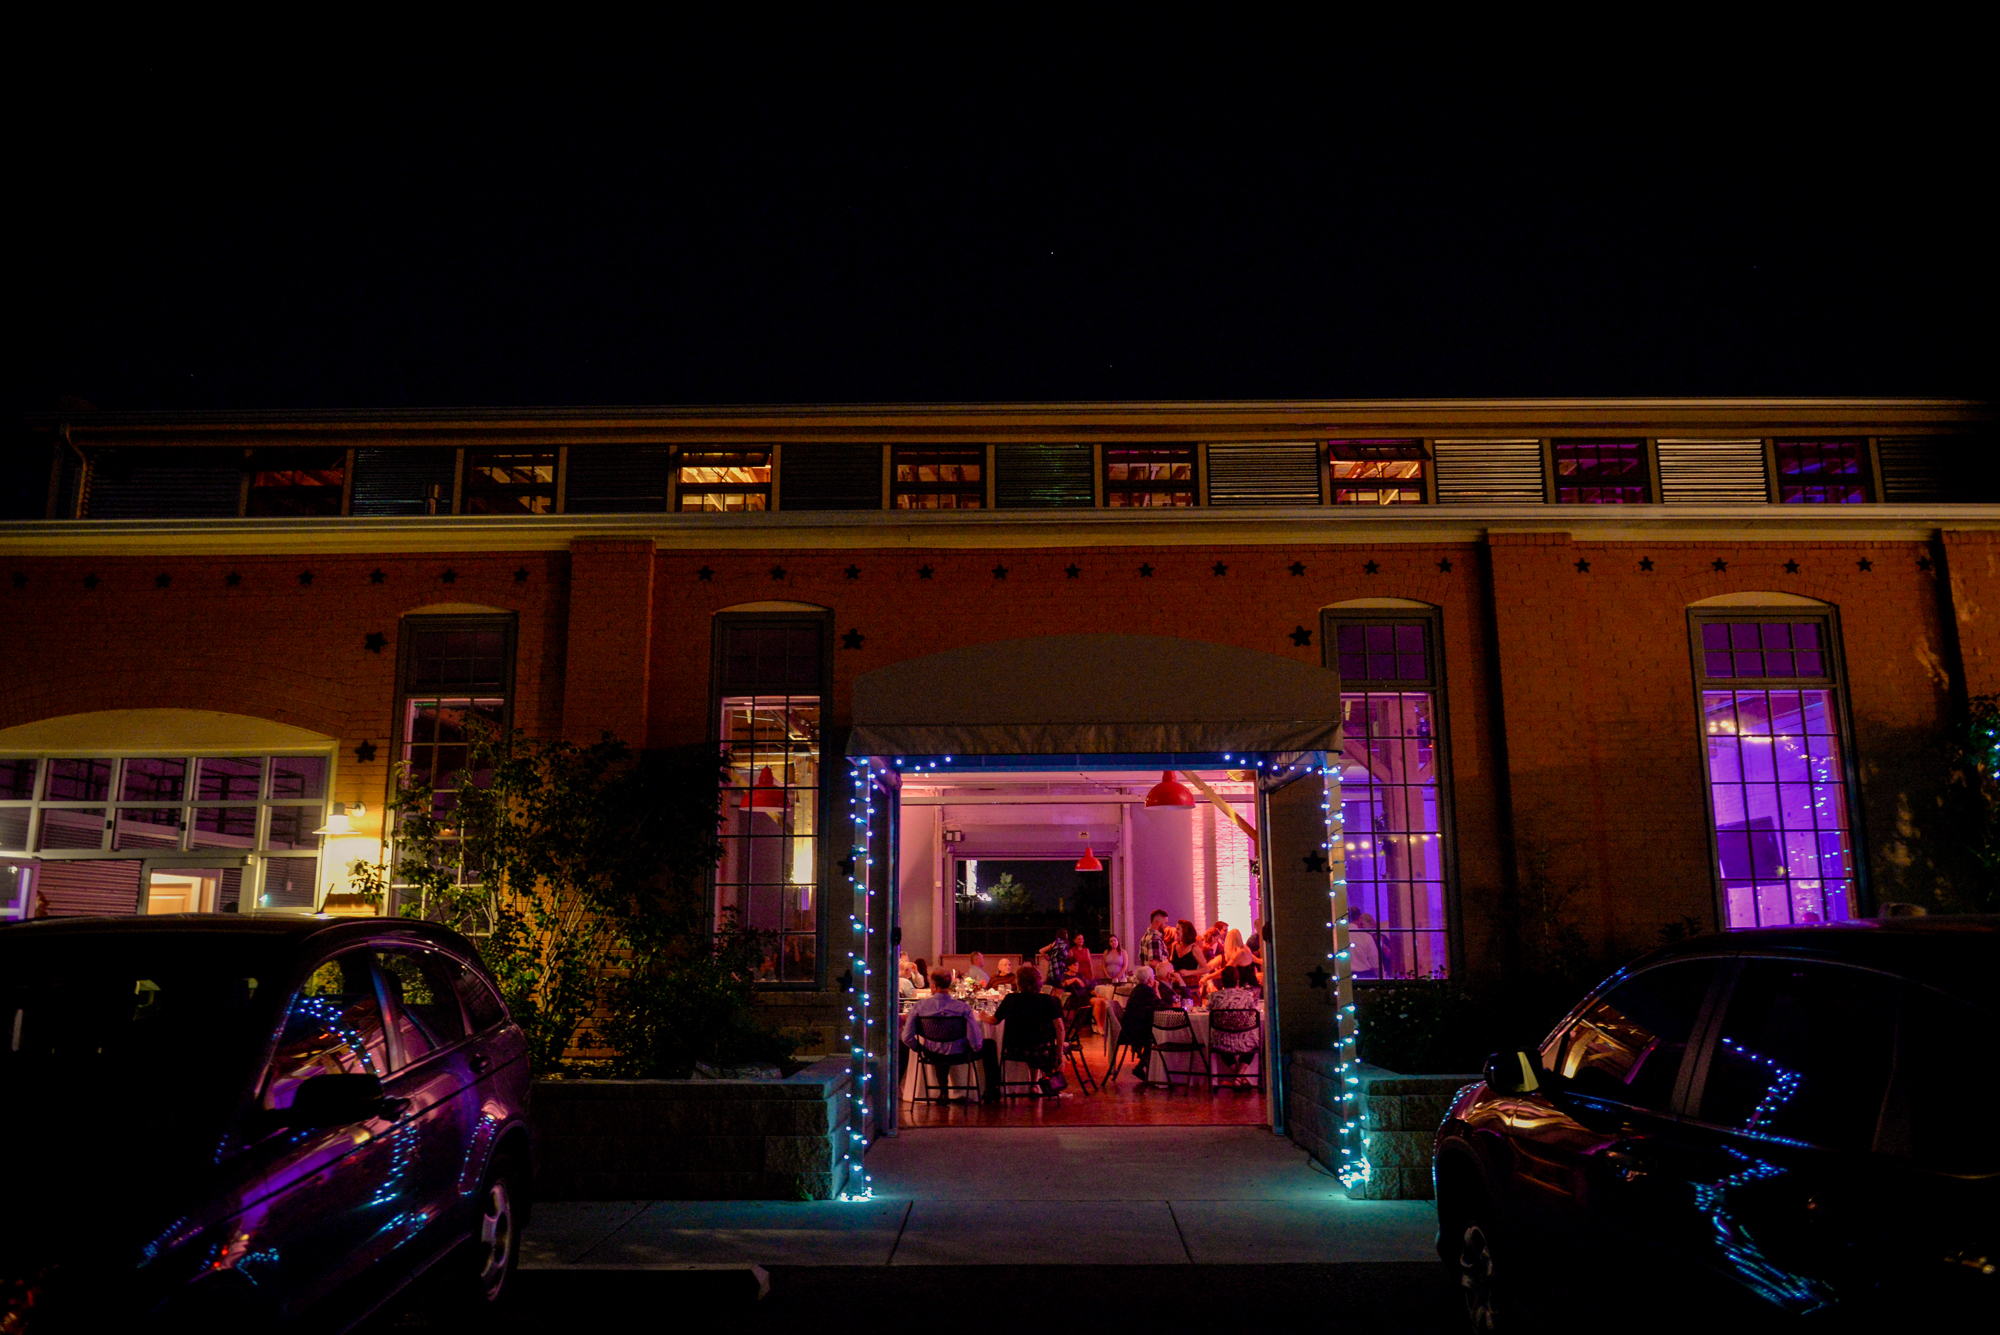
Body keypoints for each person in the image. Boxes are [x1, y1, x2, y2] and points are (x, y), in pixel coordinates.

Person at [901, 968, 992, 1100]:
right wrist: (974, 1048)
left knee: (939, 1049)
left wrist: (920, 1049)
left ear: (933, 986)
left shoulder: (919, 1007)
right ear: (949, 985)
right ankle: (991, 1091)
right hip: (959, 1053)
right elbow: (975, 1039)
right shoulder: (963, 1008)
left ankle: (943, 1092)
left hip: (932, 1054)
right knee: (989, 1045)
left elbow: (906, 1037)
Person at [980, 964, 1066, 1096]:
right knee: (1035, 1043)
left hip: (1014, 1048)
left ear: (1019, 982)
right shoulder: (1046, 1000)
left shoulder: (1011, 999)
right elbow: (1060, 1028)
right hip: (1040, 1049)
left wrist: (983, 1016)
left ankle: (1002, 1087)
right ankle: (1034, 1085)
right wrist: (1059, 1053)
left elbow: (994, 1021)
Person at [1207, 965, 1262, 1087]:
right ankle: (1240, 1077)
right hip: (1245, 1041)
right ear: (1237, 981)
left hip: (1222, 1041)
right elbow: (1253, 1012)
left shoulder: (1214, 996)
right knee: (1254, 1042)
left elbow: (1209, 1011)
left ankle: (1237, 1078)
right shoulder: (1247, 995)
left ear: (1222, 981)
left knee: (1220, 1042)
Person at [1119, 965, 1166, 1085]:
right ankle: (1155, 1071)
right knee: (1158, 1037)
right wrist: (1157, 989)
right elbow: (1162, 1007)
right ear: (1150, 979)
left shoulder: (1138, 989)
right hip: (1137, 1032)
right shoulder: (1147, 991)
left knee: (1154, 1035)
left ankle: (1142, 1067)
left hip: (1129, 1029)